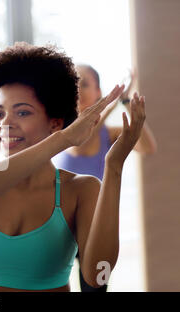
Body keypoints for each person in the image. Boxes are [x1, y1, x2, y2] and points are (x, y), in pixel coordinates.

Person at [0, 42, 146, 292]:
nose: (5, 124)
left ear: (55, 123)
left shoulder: (80, 189)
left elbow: (98, 276)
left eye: (22, 113)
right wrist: (64, 139)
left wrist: (114, 166)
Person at [52, 64, 157, 292]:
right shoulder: (60, 128)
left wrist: (127, 100)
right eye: (74, 85)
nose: (78, 90)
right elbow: (84, 135)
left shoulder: (107, 133)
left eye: (85, 84)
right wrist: (114, 98)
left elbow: (148, 147)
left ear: (98, 92)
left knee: (96, 286)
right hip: (60, 224)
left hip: (93, 223)